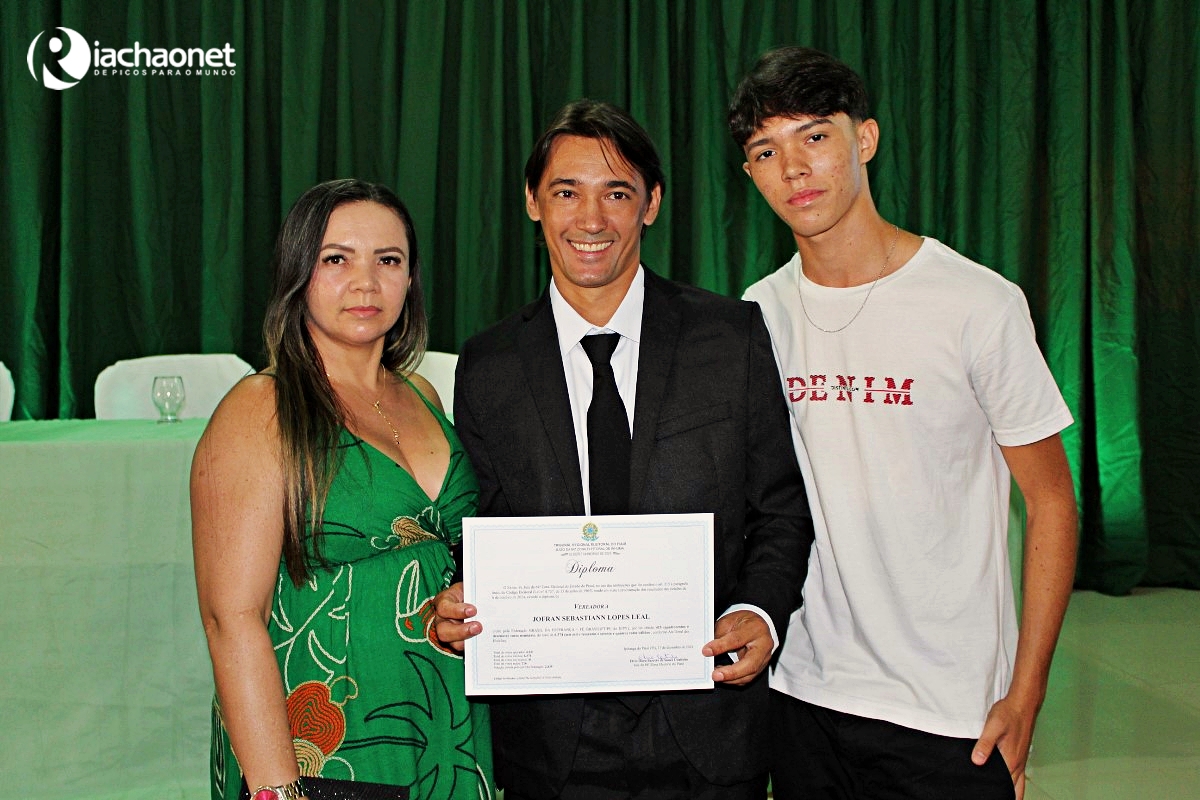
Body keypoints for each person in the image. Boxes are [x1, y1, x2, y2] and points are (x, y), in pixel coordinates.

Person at [432, 99, 814, 800]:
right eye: (566, 192)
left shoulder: (730, 337)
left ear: (651, 204)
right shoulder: (488, 365)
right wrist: (457, 603)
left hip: (708, 717)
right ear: (532, 202)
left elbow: (781, 509)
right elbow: (477, 525)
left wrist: (760, 613)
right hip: (549, 739)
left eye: (616, 193)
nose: (591, 219)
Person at [730, 47, 1079, 800]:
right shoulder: (757, 312)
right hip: (803, 693)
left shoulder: (978, 303)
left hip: (950, 712)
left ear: (865, 139)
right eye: (766, 151)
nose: (794, 168)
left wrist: (1027, 694)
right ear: (750, 173)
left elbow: (1052, 501)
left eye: (814, 136)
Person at [192, 179, 493, 800]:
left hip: (446, 728)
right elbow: (232, 620)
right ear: (298, 274)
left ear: (411, 279)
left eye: (389, 260)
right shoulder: (260, 408)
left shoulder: (423, 395)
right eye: (337, 259)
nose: (366, 283)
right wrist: (279, 792)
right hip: (327, 750)